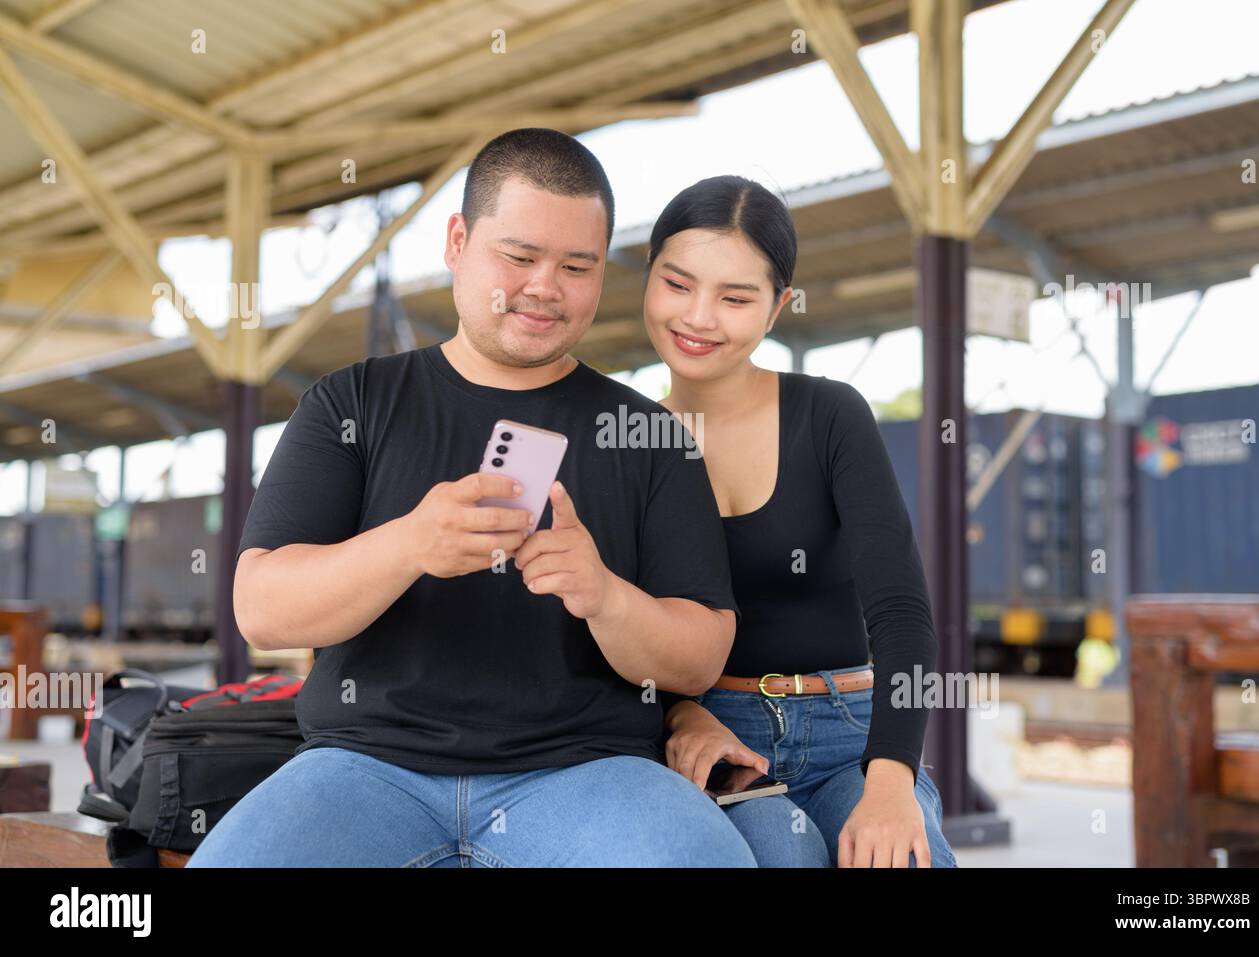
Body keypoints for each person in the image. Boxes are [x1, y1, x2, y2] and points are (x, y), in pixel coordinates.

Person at [187, 130, 756, 868]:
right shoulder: (351, 403)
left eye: (576, 266)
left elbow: (699, 657)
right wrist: (408, 545)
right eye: (518, 257)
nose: (545, 287)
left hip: (588, 774)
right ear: (458, 241)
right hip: (364, 770)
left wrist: (604, 596)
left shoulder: (649, 434)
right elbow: (261, 605)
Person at [647, 175, 958, 868]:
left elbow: (904, 614)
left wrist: (890, 780)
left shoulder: (828, 415)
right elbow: (616, 631)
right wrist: (677, 713)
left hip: (851, 727)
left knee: (906, 859)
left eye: (735, 297)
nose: (699, 316)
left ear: (778, 306)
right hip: (722, 740)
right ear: (648, 278)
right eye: (678, 283)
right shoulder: (622, 440)